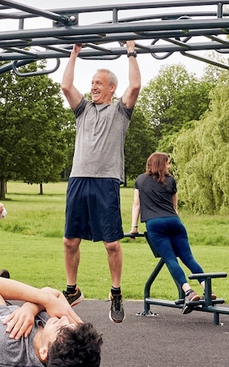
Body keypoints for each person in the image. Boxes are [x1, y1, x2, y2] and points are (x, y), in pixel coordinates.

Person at [59, 41, 141, 323]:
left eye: (99, 83)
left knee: (112, 245)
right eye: (92, 82)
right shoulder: (82, 110)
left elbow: (136, 85)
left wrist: (130, 50)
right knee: (70, 241)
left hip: (105, 182)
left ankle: (116, 292)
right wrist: (74, 53)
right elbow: (66, 86)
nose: (93, 87)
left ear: (111, 88)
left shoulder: (120, 112)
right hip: (78, 180)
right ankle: (72, 289)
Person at [130, 152, 213, 314]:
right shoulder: (171, 181)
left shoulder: (140, 180)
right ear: (161, 164)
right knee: (188, 258)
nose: (169, 166)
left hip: (155, 223)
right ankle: (206, 288)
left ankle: (188, 291)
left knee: (169, 258)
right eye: (167, 163)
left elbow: (136, 204)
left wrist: (134, 228)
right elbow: (175, 207)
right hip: (175, 221)